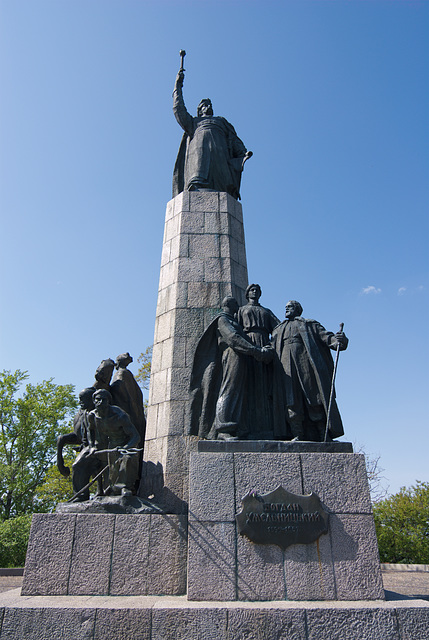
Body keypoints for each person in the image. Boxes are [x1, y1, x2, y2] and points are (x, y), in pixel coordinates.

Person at [187, 297, 273, 440]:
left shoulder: (232, 320)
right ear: (229, 305)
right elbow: (233, 338)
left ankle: (239, 428)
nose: (238, 306)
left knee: (240, 392)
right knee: (229, 390)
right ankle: (223, 429)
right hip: (233, 354)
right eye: (236, 303)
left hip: (241, 355)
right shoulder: (223, 320)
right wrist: (255, 350)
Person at [271, 300, 348, 442]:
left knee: (314, 398)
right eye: (286, 307)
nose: (287, 308)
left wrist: (339, 341)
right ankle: (297, 434)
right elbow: (271, 347)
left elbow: (327, 337)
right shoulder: (278, 329)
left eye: (290, 307)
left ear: (298, 309)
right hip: (286, 369)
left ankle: (322, 434)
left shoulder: (309, 324)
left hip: (305, 365)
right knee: (291, 400)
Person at [172, 68, 252, 200]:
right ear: (199, 110)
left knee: (221, 183)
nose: (208, 106)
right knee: (198, 179)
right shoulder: (194, 122)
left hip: (220, 156)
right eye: (204, 105)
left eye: (210, 104)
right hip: (199, 153)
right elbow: (178, 109)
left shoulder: (221, 121)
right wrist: (177, 86)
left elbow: (233, 139)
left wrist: (242, 153)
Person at [71, 389, 140, 500]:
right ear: (94, 401)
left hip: (122, 444)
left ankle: (124, 487)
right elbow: (90, 432)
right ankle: (80, 495)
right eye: (98, 399)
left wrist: (125, 448)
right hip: (101, 446)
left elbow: (135, 436)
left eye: (104, 399)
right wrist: (92, 446)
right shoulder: (92, 416)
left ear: (109, 401)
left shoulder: (119, 416)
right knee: (79, 464)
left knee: (127, 458)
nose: (100, 402)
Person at [237, 284, 280, 438]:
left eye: (257, 290)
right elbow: (236, 328)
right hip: (248, 345)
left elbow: (278, 328)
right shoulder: (242, 310)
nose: (254, 292)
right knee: (249, 385)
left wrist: (271, 346)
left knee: (264, 386)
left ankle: (266, 428)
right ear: (247, 293)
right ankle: (247, 428)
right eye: (252, 290)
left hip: (264, 345)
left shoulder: (266, 311)